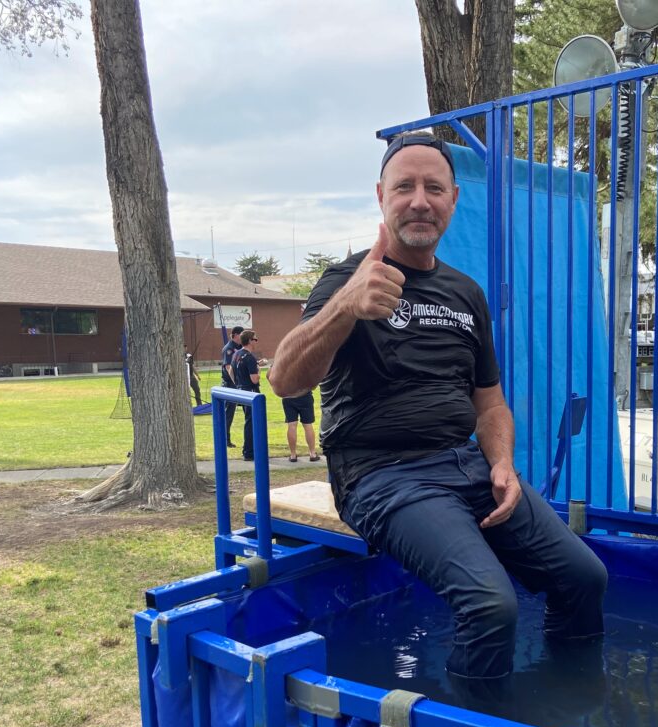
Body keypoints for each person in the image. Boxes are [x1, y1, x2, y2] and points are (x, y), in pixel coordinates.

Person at [268, 132, 607, 687]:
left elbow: (490, 402)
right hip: (380, 475)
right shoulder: (347, 281)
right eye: (405, 187)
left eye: (434, 188)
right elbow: (284, 379)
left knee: (585, 578)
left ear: (454, 199)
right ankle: (473, 726)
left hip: (466, 464)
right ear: (381, 196)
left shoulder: (465, 292)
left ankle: (568, 701)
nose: (420, 201)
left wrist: (502, 464)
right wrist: (347, 306)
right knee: (490, 606)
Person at [233, 330, 262, 462]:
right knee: (252, 423)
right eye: (255, 339)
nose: (257, 342)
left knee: (249, 421)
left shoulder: (236, 354)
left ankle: (247, 449)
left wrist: (238, 384)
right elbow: (254, 379)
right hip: (251, 392)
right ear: (250, 341)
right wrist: (259, 370)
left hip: (241, 390)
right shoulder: (249, 357)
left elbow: (230, 371)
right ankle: (249, 452)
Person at [221, 326, 244, 447]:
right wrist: (236, 383)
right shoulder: (229, 348)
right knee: (228, 413)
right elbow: (228, 367)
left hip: (239, 384)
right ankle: (225, 439)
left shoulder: (240, 347)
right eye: (241, 334)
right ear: (235, 335)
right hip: (230, 384)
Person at [281, 391, 319, 462]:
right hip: (305, 395)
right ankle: (312, 454)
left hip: (288, 396)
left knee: (292, 425)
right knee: (308, 425)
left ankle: (293, 455)